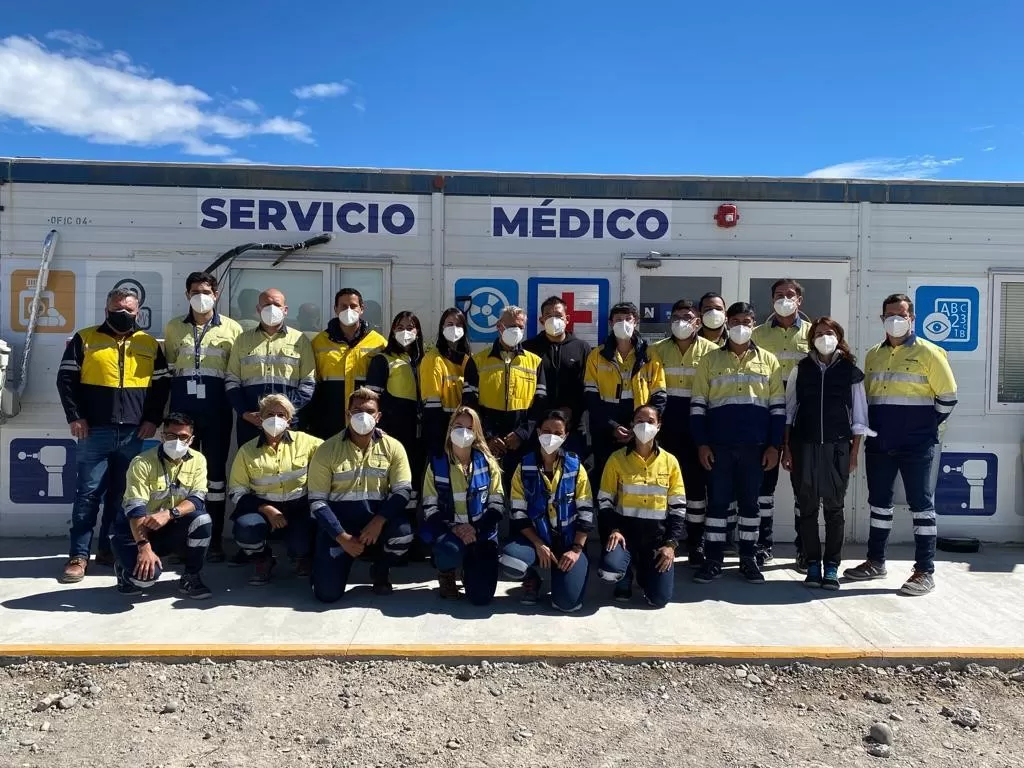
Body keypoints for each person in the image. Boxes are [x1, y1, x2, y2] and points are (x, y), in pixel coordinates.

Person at [844, 294, 958, 596]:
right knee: (879, 504)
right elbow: (867, 401)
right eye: (890, 314)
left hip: (917, 444)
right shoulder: (873, 355)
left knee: (921, 506)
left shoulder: (931, 353)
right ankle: (875, 562)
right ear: (882, 319)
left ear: (912, 319)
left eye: (901, 314)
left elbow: (948, 397)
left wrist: (923, 426)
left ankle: (924, 570)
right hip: (880, 442)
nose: (895, 319)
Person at [56, 287, 170, 583]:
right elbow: (65, 380)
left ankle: (108, 549)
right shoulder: (85, 338)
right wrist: (75, 416)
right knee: (87, 495)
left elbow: (161, 388)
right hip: (94, 430)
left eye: (128, 310)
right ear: (106, 309)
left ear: (138, 312)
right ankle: (78, 557)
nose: (122, 314)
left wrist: (152, 419)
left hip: (134, 432)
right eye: (117, 308)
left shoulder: (149, 344)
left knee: (123, 497)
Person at [691, 302, 785, 585]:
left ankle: (748, 558)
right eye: (735, 321)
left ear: (753, 323)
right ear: (727, 324)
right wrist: (702, 444)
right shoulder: (709, 360)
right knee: (717, 505)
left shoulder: (769, 360)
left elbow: (778, 409)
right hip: (719, 447)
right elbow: (698, 407)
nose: (741, 327)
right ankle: (713, 560)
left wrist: (774, 446)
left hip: (755, 448)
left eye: (747, 321)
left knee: (750, 506)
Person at [782, 318, 871, 590]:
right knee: (806, 508)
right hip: (804, 446)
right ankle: (811, 564)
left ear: (839, 337)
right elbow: (789, 411)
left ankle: (832, 566)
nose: (824, 337)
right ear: (811, 339)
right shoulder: (801, 368)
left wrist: (854, 454)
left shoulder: (850, 371)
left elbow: (859, 417)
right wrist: (786, 448)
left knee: (834, 510)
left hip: (838, 448)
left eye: (829, 333)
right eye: (819, 333)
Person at [163, 271, 243, 562]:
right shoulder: (173, 328)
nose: (201, 296)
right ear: (187, 295)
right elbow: (171, 368)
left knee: (215, 478)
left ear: (216, 294)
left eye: (206, 291)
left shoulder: (233, 329)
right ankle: (180, 540)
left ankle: (215, 540)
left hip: (218, 412)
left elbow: (234, 373)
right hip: (183, 414)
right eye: (195, 291)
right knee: (180, 476)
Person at [307, 388, 414, 601]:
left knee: (402, 533)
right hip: (340, 528)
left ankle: (380, 570)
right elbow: (317, 501)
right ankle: (332, 563)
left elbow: (403, 491)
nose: (362, 416)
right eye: (356, 410)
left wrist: (379, 521)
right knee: (326, 594)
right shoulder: (327, 449)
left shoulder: (393, 447)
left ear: (378, 416)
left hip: (376, 526)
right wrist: (342, 537)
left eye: (369, 411)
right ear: (347, 414)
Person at [584, 301, 667, 541]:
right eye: (618, 319)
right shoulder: (596, 356)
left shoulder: (650, 355)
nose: (623, 324)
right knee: (606, 486)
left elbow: (660, 397)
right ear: (610, 324)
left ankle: (638, 540)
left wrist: (640, 428)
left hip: (641, 429)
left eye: (628, 319)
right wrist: (611, 427)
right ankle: (609, 536)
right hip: (606, 431)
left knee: (639, 483)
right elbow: (591, 398)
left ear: (636, 322)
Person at [109, 412, 212, 599]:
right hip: (138, 530)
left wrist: (169, 514)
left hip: (169, 525)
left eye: (183, 437)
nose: (177, 441)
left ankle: (191, 576)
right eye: (171, 436)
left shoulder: (199, 460)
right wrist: (144, 547)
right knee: (144, 580)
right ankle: (124, 569)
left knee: (202, 519)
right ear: (163, 436)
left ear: (191, 439)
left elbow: (198, 498)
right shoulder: (142, 462)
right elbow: (135, 508)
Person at [500, 410, 594, 612]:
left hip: (569, 545)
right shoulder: (524, 467)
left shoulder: (576, 467)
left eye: (558, 433)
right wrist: (538, 543)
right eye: (546, 431)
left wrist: (576, 550)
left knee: (568, 605)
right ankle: (532, 579)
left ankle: (566, 577)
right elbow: (518, 514)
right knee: (509, 560)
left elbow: (586, 513)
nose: (551, 436)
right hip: (537, 542)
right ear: (537, 432)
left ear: (566, 436)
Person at [229, 394, 324, 585]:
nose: (275, 419)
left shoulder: (307, 442)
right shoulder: (246, 451)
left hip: (299, 508)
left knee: (305, 540)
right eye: (269, 414)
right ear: (260, 418)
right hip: (263, 510)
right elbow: (236, 492)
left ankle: (300, 557)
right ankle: (262, 559)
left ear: (289, 421)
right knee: (245, 530)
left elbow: (337, 448)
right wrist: (266, 509)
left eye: (281, 415)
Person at [596, 405, 685, 607]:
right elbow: (604, 501)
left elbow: (678, 508)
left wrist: (670, 544)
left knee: (659, 599)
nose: (644, 425)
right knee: (610, 571)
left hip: (656, 540)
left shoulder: (670, 462)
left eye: (650, 421)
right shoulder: (616, 459)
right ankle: (624, 576)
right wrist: (614, 529)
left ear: (659, 426)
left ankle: (644, 573)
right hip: (625, 537)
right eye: (639, 421)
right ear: (632, 425)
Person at [650, 299, 717, 566]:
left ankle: (696, 542)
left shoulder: (713, 351)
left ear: (698, 322)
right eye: (676, 316)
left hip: (698, 426)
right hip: (666, 428)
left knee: (695, 489)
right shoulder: (656, 351)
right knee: (663, 486)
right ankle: (665, 541)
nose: (681, 321)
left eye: (687, 316)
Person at [751, 278, 812, 567]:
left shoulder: (815, 334)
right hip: (767, 417)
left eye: (790, 295)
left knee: (803, 488)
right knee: (765, 486)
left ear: (800, 300)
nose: (784, 299)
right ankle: (763, 545)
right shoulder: (756, 334)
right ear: (771, 299)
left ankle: (804, 548)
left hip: (804, 419)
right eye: (779, 295)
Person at [421, 407, 505, 605]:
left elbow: (497, 504)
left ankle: (470, 569)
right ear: (450, 429)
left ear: (476, 433)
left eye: (469, 428)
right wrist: (457, 529)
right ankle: (446, 571)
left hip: (481, 533)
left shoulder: (488, 462)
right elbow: (430, 508)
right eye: (459, 426)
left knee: (481, 598)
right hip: (451, 533)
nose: (463, 432)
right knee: (448, 550)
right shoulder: (436, 463)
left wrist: (475, 528)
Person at [226, 288, 316, 448]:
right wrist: (245, 413)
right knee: (252, 468)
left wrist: (285, 413)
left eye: (276, 304)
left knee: (288, 467)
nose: (272, 308)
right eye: (266, 304)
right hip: (251, 423)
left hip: (288, 422)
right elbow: (232, 381)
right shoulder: (242, 340)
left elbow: (308, 384)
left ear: (285, 310)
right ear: (258, 309)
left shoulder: (300, 340)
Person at [473, 306, 547, 477]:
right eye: (512, 326)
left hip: (522, 440)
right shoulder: (478, 361)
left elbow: (541, 404)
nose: (517, 330)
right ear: (499, 326)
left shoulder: (535, 362)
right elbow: (470, 402)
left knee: (520, 489)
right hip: (489, 439)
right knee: (490, 488)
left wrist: (522, 434)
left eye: (521, 327)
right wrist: (488, 435)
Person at [306, 288, 388, 439]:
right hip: (328, 421)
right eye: (343, 306)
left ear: (361, 309)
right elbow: (312, 383)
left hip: (366, 420)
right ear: (335, 309)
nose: (348, 310)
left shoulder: (378, 342)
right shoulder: (319, 342)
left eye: (353, 306)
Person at [366, 311, 425, 517]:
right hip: (393, 432)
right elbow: (371, 400)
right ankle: (391, 524)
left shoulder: (424, 359)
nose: (405, 332)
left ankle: (410, 524)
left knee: (416, 478)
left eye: (410, 328)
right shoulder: (382, 359)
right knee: (394, 477)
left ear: (417, 332)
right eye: (400, 327)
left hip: (420, 434)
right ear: (392, 330)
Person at [523, 296, 591, 458]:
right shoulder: (528, 348)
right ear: (541, 320)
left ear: (567, 319)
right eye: (548, 316)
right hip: (538, 425)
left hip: (573, 424)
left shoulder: (582, 347)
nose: (554, 320)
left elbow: (587, 386)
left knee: (573, 468)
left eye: (558, 316)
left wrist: (571, 410)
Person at [422, 308, 479, 457]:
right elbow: (432, 405)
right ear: (442, 328)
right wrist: (439, 437)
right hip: (442, 427)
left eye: (459, 325)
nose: (454, 328)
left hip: (464, 427)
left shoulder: (468, 359)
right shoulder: (432, 358)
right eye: (450, 324)